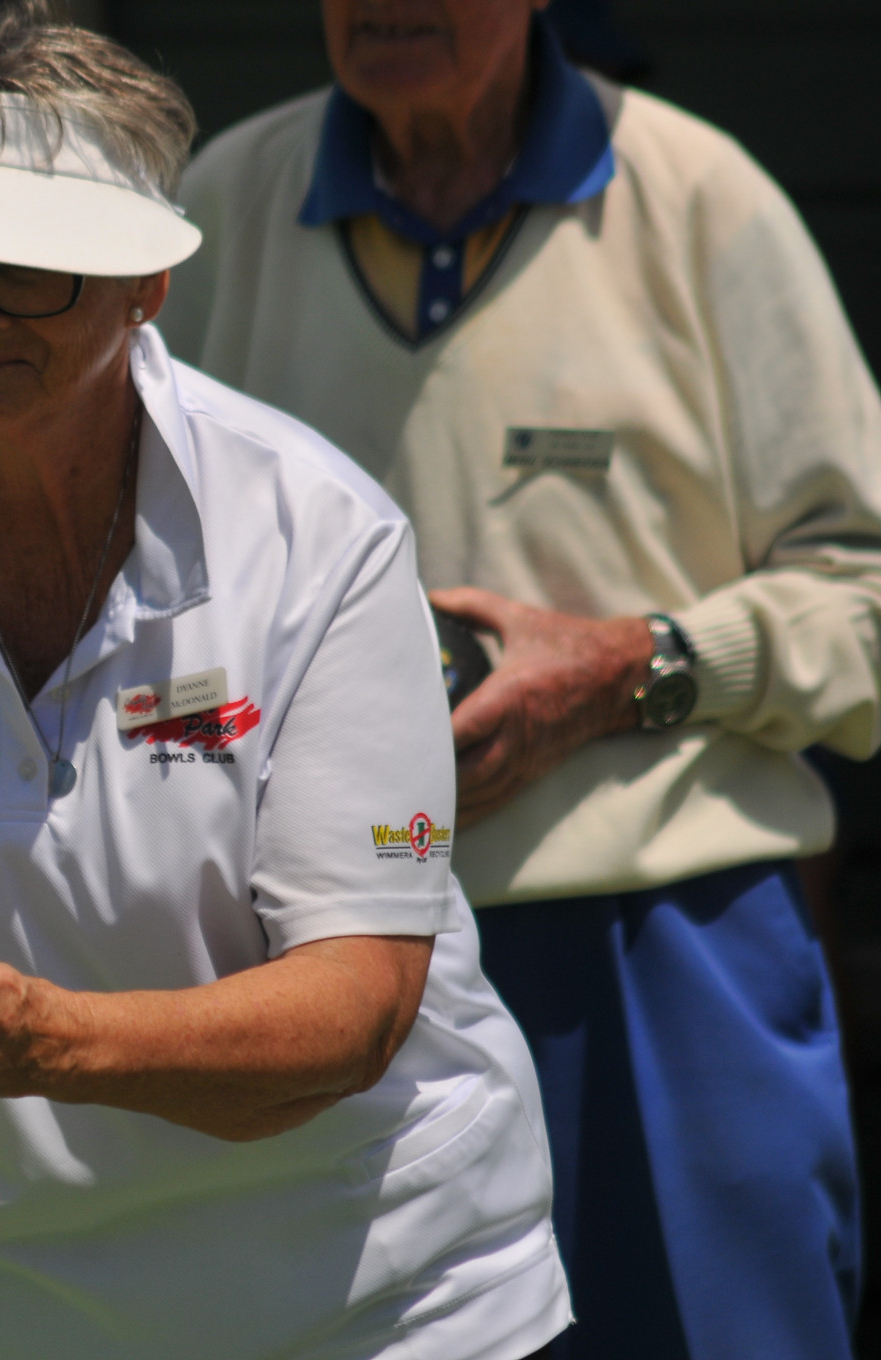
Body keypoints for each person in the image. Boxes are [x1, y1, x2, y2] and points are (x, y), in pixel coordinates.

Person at [0, 6, 568, 1358]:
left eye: (25, 269)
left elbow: (359, 1004)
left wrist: (55, 1039)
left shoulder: (321, 533)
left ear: (147, 285)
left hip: (369, 1308)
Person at [157, 1, 880, 1356]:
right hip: (304, 972)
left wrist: (635, 669)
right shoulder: (220, 207)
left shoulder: (699, 196)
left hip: (662, 955)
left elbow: (867, 587)